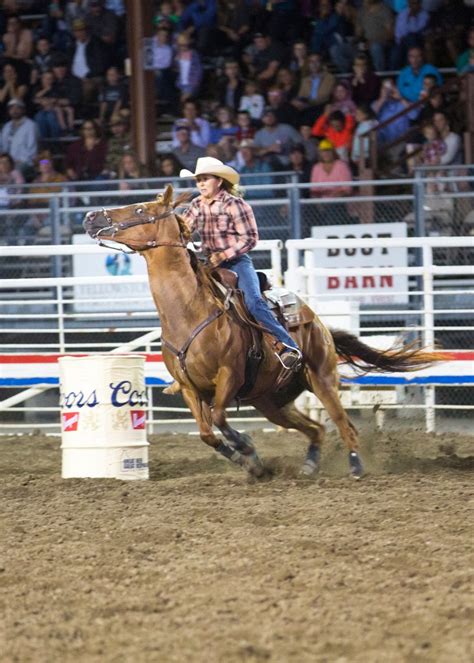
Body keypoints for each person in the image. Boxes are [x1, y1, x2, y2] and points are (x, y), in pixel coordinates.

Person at [179, 156, 302, 370]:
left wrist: (224, 255)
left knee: (254, 302)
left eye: (205, 179)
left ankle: (287, 346)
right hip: (207, 261)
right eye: (198, 179)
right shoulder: (196, 205)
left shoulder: (235, 204)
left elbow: (250, 238)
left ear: (218, 181)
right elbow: (184, 231)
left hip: (236, 262)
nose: (200, 183)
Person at [0, 98, 38, 178]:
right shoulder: (7, 126)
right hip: (7, 162)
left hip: (25, 162)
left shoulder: (31, 125)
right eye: (12, 108)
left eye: (17, 108)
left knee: (14, 172)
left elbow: (32, 149)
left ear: (23, 110)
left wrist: (19, 161)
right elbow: (2, 147)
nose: (14, 111)